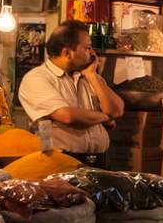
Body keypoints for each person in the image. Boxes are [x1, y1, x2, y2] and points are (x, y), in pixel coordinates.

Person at [18, 20, 125, 166]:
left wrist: (92, 76)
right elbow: (68, 116)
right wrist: (105, 117)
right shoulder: (37, 78)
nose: (93, 53)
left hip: (100, 162)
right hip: (60, 163)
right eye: (87, 48)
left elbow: (117, 110)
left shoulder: (90, 76)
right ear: (67, 53)